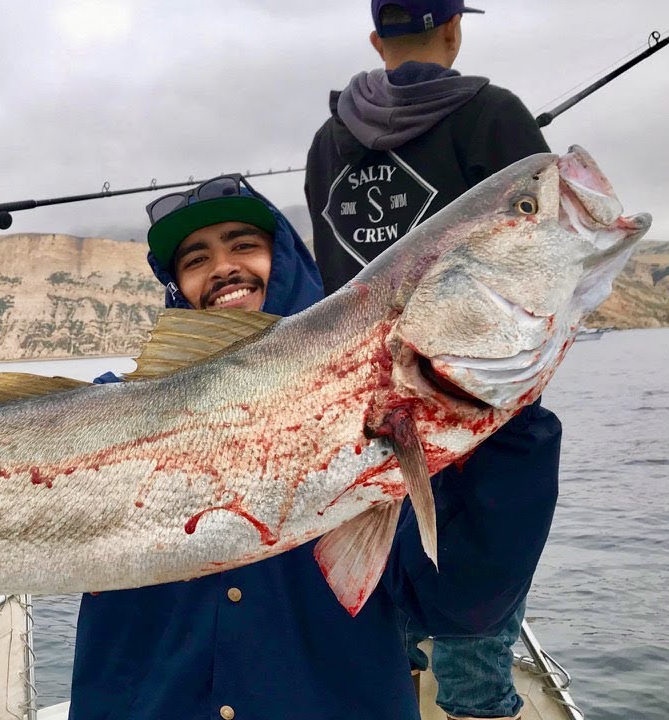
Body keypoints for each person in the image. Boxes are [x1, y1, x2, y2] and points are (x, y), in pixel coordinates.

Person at [64, 176, 560, 720]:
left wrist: (510, 435)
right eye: (196, 259)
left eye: (244, 245)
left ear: (287, 259)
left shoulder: (391, 411)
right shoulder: (105, 414)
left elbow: (460, 603)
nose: (223, 267)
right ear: (177, 288)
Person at [304, 3, 557, 718]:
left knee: (383, 628)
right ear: (454, 29)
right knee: (477, 637)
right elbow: (541, 251)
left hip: (362, 425)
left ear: (377, 40)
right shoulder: (494, 115)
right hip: (478, 424)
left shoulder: (328, 142)